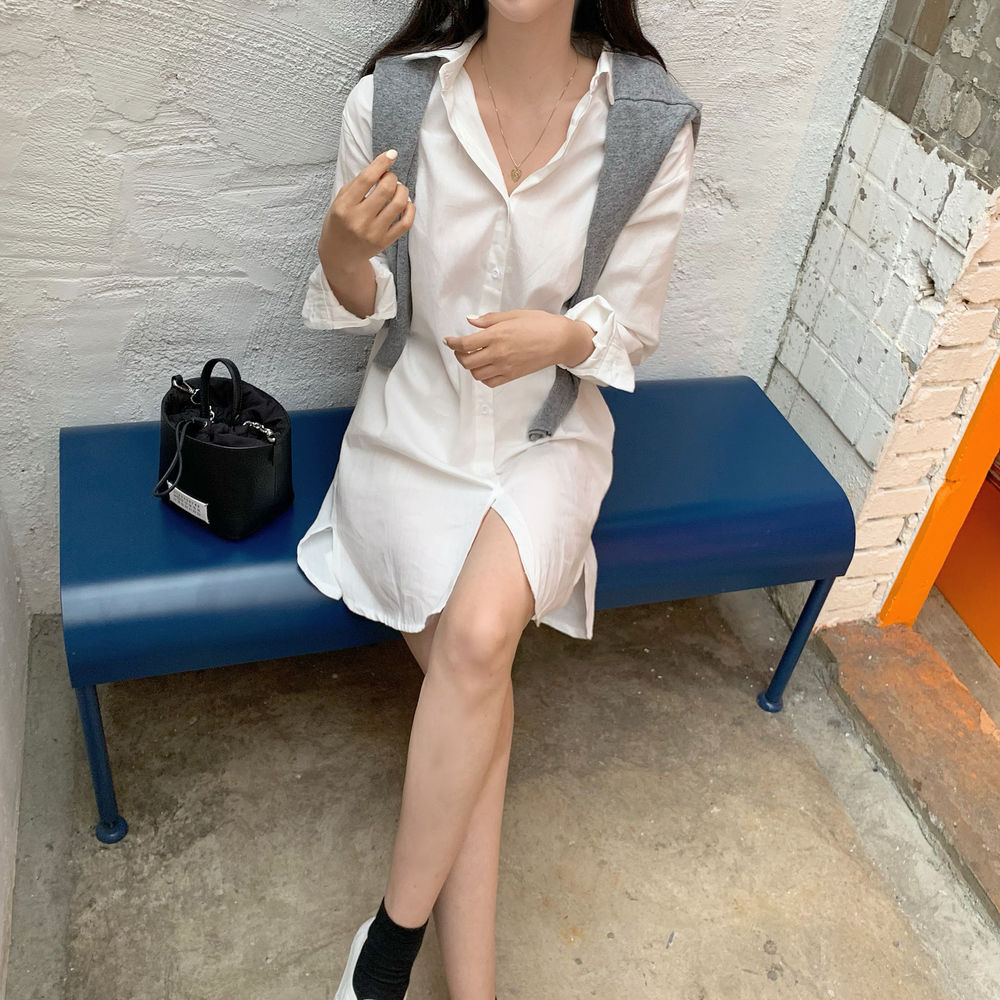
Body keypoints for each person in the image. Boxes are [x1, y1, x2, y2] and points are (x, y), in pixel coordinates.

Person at [296, 2, 698, 998]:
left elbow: (630, 323)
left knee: (476, 641)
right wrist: (340, 246)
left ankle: (389, 949)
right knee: (478, 678)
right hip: (412, 426)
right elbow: (367, 303)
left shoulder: (651, 123)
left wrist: (561, 338)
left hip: (547, 435)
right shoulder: (392, 102)